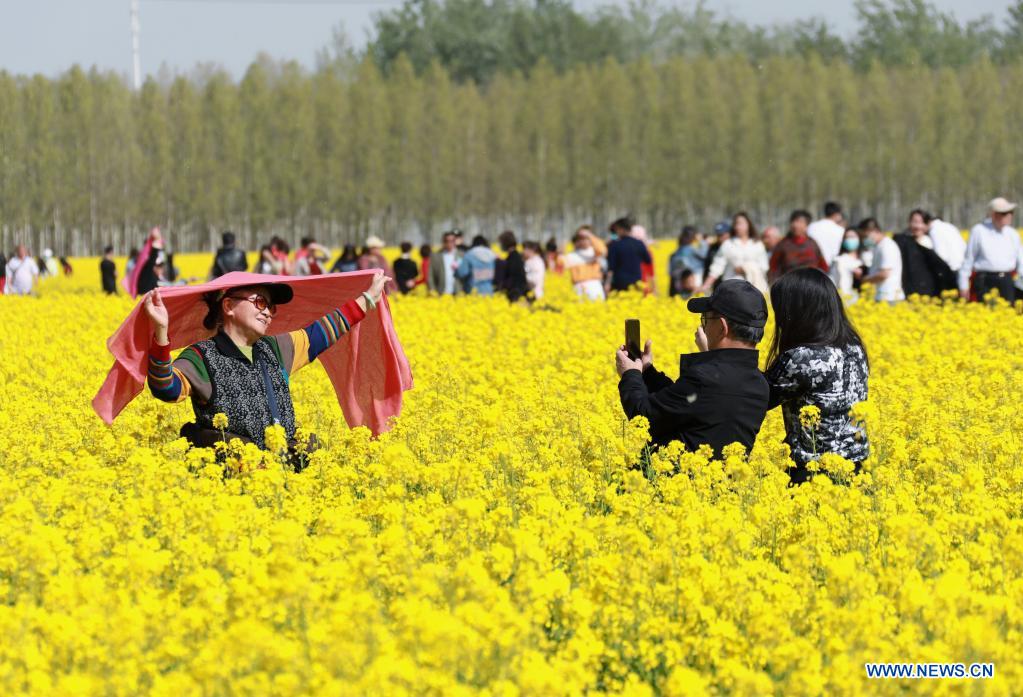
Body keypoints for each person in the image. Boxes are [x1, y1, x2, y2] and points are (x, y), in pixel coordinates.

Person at [144, 273, 391, 457]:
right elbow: (166, 388)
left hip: (284, 470)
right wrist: (162, 333)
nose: (268, 313)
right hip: (231, 480)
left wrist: (368, 299)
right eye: (260, 303)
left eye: (271, 307)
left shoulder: (276, 348)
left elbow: (322, 332)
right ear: (228, 306)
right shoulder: (202, 356)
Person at [616, 279, 769, 455]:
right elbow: (683, 403)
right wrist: (647, 371)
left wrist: (630, 375)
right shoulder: (759, 384)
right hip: (722, 480)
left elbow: (643, 416)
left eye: (706, 319)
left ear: (722, 327)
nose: (703, 327)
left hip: (673, 478)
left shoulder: (705, 379)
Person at [764, 268, 869, 484]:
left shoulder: (805, 358)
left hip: (816, 474)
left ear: (798, 312)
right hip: (857, 468)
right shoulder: (854, 347)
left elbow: (757, 397)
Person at [959, 197, 1023, 302]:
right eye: (1004, 213)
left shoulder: (1013, 234)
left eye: (1011, 212)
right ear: (993, 214)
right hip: (984, 281)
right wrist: (963, 285)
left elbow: (1021, 261)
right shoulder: (979, 231)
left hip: (1007, 281)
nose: (1009, 215)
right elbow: (968, 259)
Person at [701, 212, 769, 294]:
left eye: (741, 224)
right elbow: (717, 267)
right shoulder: (728, 244)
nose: (738, 227)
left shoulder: (757, 244)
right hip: (732, 289)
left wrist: (745, 268)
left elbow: (764, 267)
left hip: (754, 290)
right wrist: (705, 286)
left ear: (748, 225)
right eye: (736, 224)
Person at [893, 210, 956, 298]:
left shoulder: (931, 241)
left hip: (930, 290)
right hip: (909, 289)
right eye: (914, 222)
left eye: (920, 222)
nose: (917, 226)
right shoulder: (902, 242)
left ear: (926, 225)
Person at [768, 210, 828, 284]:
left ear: (807, 225)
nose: (795, 225)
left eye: (799, 222)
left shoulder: (813, 244)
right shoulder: (782, 245)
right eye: (793, 221)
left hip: (812, 283)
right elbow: (773, 268)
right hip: (789, 284)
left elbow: (823, 266)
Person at [859, 218, 904, 302]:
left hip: (889, 296)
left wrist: (866, 280)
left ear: (874, 231)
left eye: (865, 236)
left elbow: (884, 273)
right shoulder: (879, 246)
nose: (864, 240)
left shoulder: (887, 246)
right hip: (882, 296)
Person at [606, 218, 652, 293]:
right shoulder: (639, 243)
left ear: (621, 229)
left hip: (620, 282)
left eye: (616, 230)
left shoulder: (615, 245)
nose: (616, 232)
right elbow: (648, 260)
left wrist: (607, 283)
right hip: (637, 281)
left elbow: (611, 268)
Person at [562, 227, 607, 300]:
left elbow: (603, 250)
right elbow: (559, 269)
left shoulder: (594, 252)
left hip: (593, 285)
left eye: (585, 239)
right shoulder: (571, 255)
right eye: (580, 239)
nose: (582, 241)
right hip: (578, 286)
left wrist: (589, 235)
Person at [829, 228, 865, 299]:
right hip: (845, 298)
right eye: (847, 237)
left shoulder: (866, 258)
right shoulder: (838, 260)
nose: (849, 240)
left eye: (852, 237)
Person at [807, 201, 845, 267]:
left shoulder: (811, 227)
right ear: (837, 214)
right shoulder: (841, 231)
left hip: (813, 266)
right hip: (832, 267)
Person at [428, 232, 464, 296]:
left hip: (458, 293)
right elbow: (430, 275)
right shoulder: (436, 256)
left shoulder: (462, 255)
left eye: (452, 241)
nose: (449, 243)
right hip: (441, 293)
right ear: (443, 242)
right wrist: (432, 289)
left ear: (455, 241)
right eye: (446, 241)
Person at [497, 230, 528, 302]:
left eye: (501, 243)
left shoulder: (513, 258)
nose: (500, 246)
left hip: (515, 294)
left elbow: (513, 277)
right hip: (517, 292)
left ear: (505, 243)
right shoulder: (515, 256)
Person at [702, 221, 731, 288]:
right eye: (718, 235)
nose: (720, 237)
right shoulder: (712, 248)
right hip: (716, 285)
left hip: (732, 283)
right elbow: (707, 266)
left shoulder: (735, 246)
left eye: (722, 234)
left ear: (728, 233)